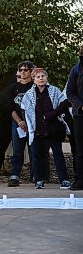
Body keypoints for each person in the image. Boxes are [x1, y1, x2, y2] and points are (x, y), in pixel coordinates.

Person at [21, 68, 71, 189]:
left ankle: (64, 179)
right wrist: (29, 124)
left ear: (46, 78)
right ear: (34, 79)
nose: (41, 78)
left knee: (58, 154)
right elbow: (24, 109)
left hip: (53, 127)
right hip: (37, 129)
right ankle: (38, 180)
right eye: (38, 77)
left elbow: (65, 103)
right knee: (36, 155)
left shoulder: (54, 90)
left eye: (43, 76)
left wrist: (52, 114)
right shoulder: (29, 95)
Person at [4, 60, 35, 187]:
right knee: (17, 150)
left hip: (33, 123)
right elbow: (10, 107)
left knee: (34, 150)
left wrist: (29, 122)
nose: (23, 72)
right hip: (18, 124)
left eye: (26, 70)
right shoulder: (13, 88)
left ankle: (36, 176)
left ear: (31, 72)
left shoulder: (35, 87)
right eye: (21, 70)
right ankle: (15, 175)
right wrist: (20, 121)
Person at [0, 71, 21, 182]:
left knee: (22, 150)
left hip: (23, 123)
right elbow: (4, 106)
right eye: (17, 76)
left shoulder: (29, 89)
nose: (20, 77)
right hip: (7, 122)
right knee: (1, 148)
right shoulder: (9, 89)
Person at [66, 45, 83, 190]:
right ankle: (80, 180)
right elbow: (70, 92)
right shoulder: (76, 70)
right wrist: (80, 105)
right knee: (80, 149)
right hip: (80, 115)